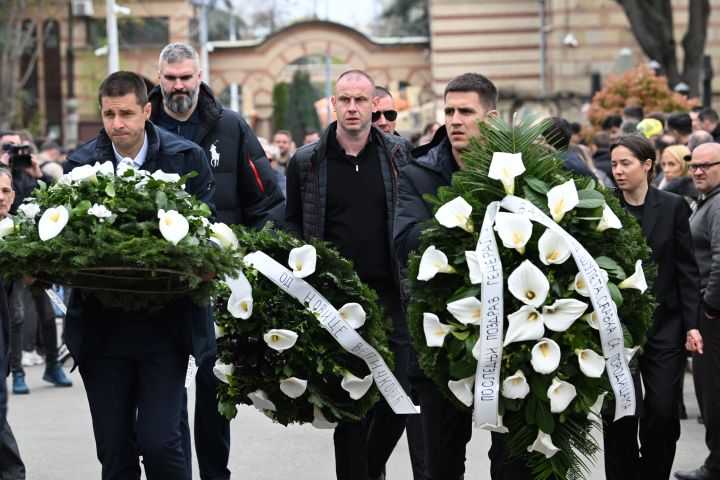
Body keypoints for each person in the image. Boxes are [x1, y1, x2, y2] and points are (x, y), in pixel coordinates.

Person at [65, 71, 216, 480]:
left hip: (165, 329)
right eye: (109, 114)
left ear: (147, 111)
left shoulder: (186, 158)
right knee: (115, 453)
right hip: (102, 330)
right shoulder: (80, 164)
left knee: (160, 442)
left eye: (127, 114)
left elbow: (210, 228)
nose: (117, 124)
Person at [148, 42, 285, 480]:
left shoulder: (231, 126)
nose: (179, 86)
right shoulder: (143, 127)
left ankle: (214, 475)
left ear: (200, 77)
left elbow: (267, 202)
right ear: (159, 79)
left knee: (213, 388)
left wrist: (248, 261)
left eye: (186, 77)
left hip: (216, 284)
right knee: (164, 395)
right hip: (158, 286)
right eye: (171, 78)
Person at [394, 72, 536, 480]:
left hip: (513, 340)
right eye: (449, 111)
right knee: (440, 465)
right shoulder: (418, 173)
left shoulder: (523, 170)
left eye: (465, 112)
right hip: (442, 341)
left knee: (513, 465)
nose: (454, 120)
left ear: (490, 118)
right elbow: (405, 242)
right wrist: (471, 228)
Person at [285, 69, 413, 480]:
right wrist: (302, 261)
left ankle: (371, 469)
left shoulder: (399, 155)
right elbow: (291, 221)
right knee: (350, 410)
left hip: (392, 297)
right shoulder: (306, 161)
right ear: (333, 104)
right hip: (335, 304)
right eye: (345, 100)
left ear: (373, 105)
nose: (352, 108)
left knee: (398, 399)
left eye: (360, 100)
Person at [603, 134, 702, 480]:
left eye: (625, 163)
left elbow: (686, 269)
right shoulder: (602, 206)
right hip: (615, 329)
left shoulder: (673, 206)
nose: (618, 170)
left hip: (665, 325)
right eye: (614, 164)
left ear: (647, 165)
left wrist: (692, 324)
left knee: (662, 412)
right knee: (619, 414)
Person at [0, 133, 71, 394]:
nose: (15, 152)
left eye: (19, 146)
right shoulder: (3, 175)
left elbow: (57, 198)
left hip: (31, 249)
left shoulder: (29, 175)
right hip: (8, 253)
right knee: (16, 314)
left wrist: (39, 174)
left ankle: (53, 365)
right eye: (8, 147)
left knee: (48, 314)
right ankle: (17, 371)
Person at [674, 143, 720, 480]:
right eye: (694, 166)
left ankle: (716, 465)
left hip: (712, 315)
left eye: (707, 165)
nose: (698, 171)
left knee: (711, 391)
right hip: (707, 311)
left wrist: (709, 307)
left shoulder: (717, 205)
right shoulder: (707, 202)